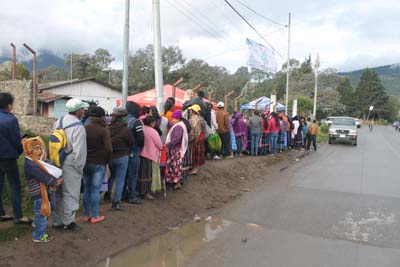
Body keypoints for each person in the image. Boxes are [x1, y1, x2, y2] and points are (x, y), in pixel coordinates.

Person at [52, 98, 88, 231]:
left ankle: (57, 221)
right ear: (78, 111)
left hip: (57, 161)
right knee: (71, 193)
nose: (84, 111)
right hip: (71, 162)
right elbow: (80, 151)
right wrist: (80, 167)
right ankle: (68, 222)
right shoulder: (78, 126)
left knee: (59, 192)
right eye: (83, 109)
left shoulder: (58, 122)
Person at [0, 93, 32, 224]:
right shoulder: (10, 119)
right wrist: (19, 151)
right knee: (14, 186)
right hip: (8, 157)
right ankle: (18, 216)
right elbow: (16, 141)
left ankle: (1, 213)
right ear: (9, 105)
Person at [22, 136, 62, 242]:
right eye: (35, 148)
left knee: (39, 212)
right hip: (39, 193)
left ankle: (38, 224)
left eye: (40, 148)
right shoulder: (31, 164)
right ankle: (39, 236)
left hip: (39, 192)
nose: (39, 151)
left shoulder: (33, 161)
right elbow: (42, 176)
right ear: (29, 149)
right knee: (42, 213)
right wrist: (54, 182)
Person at [83, 106, 112, 224]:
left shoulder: (84, 128)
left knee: (86, 189)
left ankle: (85, 215)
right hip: (98, 163)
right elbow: (109, 149)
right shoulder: (103, 130)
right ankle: (94, 216)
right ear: (102, 116)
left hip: (85, 163)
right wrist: (106, 161)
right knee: (95, 190)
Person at [107, 107, 134, 210]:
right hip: (122, 156)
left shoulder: (108, 128)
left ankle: (107, 194)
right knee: (120, 179)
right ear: (123, 117)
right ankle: (116, 202)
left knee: (112, 176)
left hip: (110, 157)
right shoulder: (125, 130)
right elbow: (131, 142)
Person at [125, 101, 145, 204]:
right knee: (133, 175)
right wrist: (140, 146)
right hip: (134, 151)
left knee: (124, 175)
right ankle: (132, 196)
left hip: (123, 152)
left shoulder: (123, 120)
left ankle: (123, 194)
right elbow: (140, 138)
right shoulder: (136, 122)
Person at [138, 115, 162, 200]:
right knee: (148, 175)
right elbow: (159, 145)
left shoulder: (141, 129)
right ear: (151, 123)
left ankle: (140, 191)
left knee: (140, 174)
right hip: (150, 155)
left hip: (140, 154)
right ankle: (146, 192)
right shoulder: (153, 131)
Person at [165, 111, 189, 189]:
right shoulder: (180, 125)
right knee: (175, 166)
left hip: (176, 150)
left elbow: (176, 139)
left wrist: (167, 144)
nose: (172, 120)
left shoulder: (179, 127)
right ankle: (174, 181)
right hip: (175, 149)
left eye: (174, 118)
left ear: (178, 118)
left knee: (176, 167)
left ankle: (177, 182)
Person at [188, 105, 205, 174]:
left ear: (193, 111)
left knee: (194, 153)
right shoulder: (201, 118)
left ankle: (195, 169)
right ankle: (195, 167)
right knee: (197, 154)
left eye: (191, 110)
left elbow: (193, 130)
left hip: (195, 139)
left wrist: (191, 138)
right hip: (200, 137)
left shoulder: (193, 118)